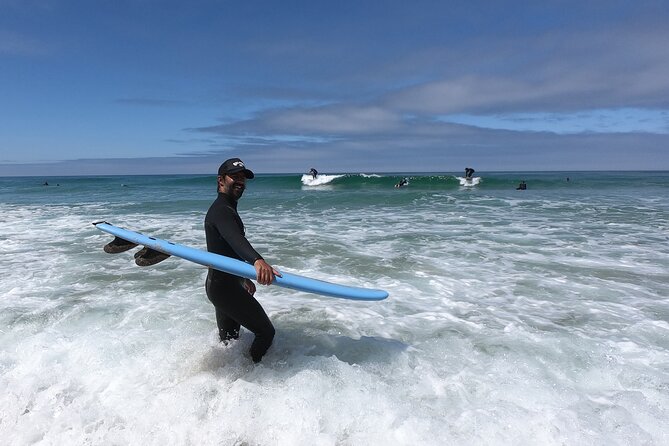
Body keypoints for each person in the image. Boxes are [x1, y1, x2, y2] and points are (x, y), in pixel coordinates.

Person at [204, 158, 281, 363]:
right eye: (234, 177)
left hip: (223, 286)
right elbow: (235, 239)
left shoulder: (225, 208)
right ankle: (254, 373)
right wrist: (257, 260)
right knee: (266, 333)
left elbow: (225, 247)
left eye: (242, 178)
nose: (240, 182)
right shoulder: (222, 210)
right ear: (221, 180)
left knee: (229, 343)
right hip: (225, 290)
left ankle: (231, 383)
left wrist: (243, 276)